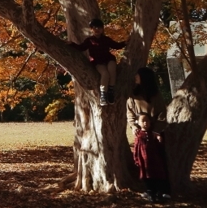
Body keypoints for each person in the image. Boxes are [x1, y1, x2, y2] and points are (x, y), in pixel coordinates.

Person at [127, 66, 171, 201]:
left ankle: (164, 190)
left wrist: (156, 130)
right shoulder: (133, 95)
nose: (135, 77)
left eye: (138, 75)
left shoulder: (156, 96)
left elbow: (162, 114)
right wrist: (134, 126)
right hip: (141, 136)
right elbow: (130, 114)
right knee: (144, 163)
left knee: (159, 162)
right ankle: (149, 190)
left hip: (155, 136)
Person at [72, 18, 127, 105]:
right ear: (91, 29)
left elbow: (116, 46)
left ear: (102, 29)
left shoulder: (106, 39)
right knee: (105, 74)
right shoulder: (89, 40)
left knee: (112, 70)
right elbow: (81, 48)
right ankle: (103, 95)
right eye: (95, 27)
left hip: (109, 59)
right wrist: (71, 44)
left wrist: (125, 42)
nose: (97, 29)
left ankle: (111, 91)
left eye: (99, 28)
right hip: (97, 62)